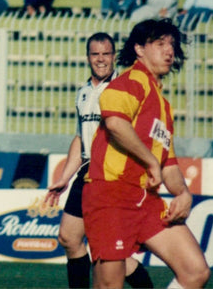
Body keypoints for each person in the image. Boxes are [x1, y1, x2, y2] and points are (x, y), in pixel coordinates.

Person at [83, 18, 210, 289]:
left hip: (146, 201)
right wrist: (151, 161)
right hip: (111, 196)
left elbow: (169, 165)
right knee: (109, 285)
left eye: (172, 45)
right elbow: (116, 123)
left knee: (195, 271)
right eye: (160, 43)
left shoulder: (163, 106)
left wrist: (183, 193)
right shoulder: (128, 83)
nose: (169, 51)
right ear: (139, 49)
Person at [45, 33, 154, 289]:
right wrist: (65, 178)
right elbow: (80, 138)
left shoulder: (123, 89)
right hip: (86, 172)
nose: (101, 59)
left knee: (112, 256)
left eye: (106, 54)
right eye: (96, 54)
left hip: (111, 175)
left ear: (114, 56)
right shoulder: (83, 93)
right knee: (69, 238)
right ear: (88, 58)